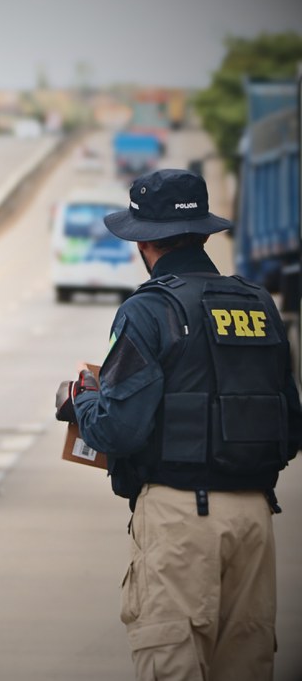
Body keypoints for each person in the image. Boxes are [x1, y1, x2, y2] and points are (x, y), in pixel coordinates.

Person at [55, 168, 301, 681]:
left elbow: (119, 428)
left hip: (179, 520)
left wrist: (81, 404)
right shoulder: (261, 306)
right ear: (207, 234)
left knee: (173, 665)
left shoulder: (148, 311)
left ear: (143, 243)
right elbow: (290, 426)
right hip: (255, 520)